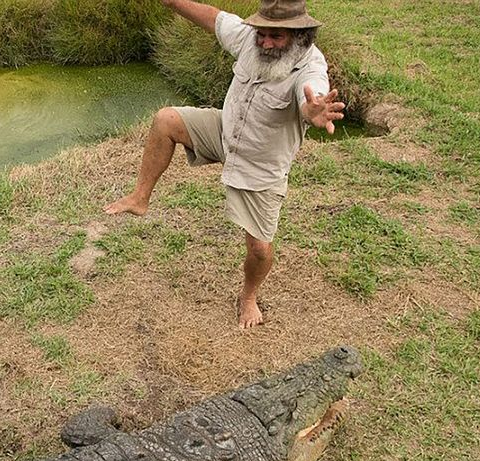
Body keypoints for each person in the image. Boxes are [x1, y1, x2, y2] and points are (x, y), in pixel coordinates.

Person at [105, 0, 345, 328]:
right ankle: (139, 198)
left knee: (259, 248)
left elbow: (312, 94)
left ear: (299, 36)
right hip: (225, 132)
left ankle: (249, 296)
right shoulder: (250, 39)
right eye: (262, 33)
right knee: (166, 120)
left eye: (276, 36)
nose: (265, 43)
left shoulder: (310, 65)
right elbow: (214, 19)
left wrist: (313, 109)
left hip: (260, 165)